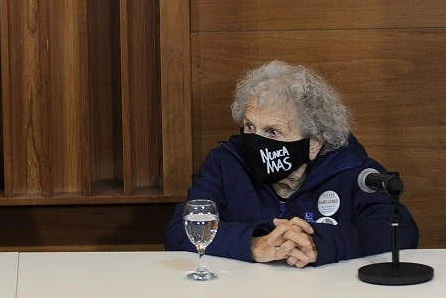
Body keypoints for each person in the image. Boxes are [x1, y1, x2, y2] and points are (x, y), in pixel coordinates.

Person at [165, 60, 417, 267]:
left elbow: (400, 231)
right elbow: (180, 229)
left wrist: (318, 243)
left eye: (273, 132)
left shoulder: (354, 171)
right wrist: (254, 244)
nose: (256, 142)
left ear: (314, 143)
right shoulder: (225, 163)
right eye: (250, 127)